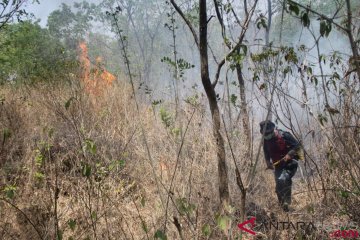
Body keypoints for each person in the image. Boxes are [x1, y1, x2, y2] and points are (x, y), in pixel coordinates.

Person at [260, 120, 300, 212]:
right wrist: (268, 162)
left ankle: (287, 203)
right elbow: (266, 151)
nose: (267, 135)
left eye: (268, 133)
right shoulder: (266, 140)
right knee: (278, 187)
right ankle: (283, 208)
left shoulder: (284, 135)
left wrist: (289, 154)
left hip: (290, 163)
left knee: (283, 179)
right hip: (278, 165)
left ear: (273, 129)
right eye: (265, 134)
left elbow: (297, 146)